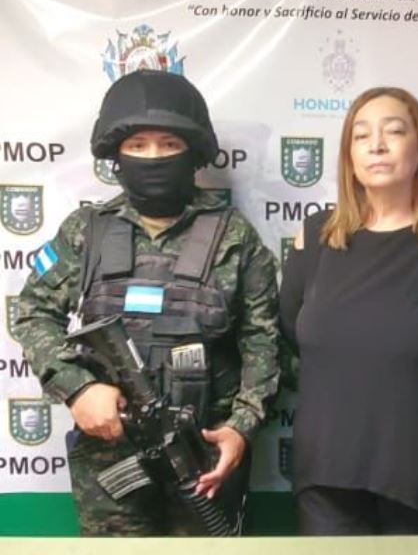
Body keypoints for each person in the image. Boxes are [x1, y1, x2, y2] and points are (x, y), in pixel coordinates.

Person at [15, 69, 280, 536]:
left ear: (193, 151)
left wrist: (240, 428)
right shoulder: (87, 230)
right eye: (138, 145)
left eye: (168, 144)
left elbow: (264, 343)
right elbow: (32, 313)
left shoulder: (234, 235)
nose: (153, 156)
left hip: (204, 454)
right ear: (116, 155)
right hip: (109, 458)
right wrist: (78, 388)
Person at [279, 87, 418, 535]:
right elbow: (291, 329)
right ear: (349, 157)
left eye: (394, 132)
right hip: (326, 472)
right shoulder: (314, 237)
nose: (377, 145)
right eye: (361, 136)